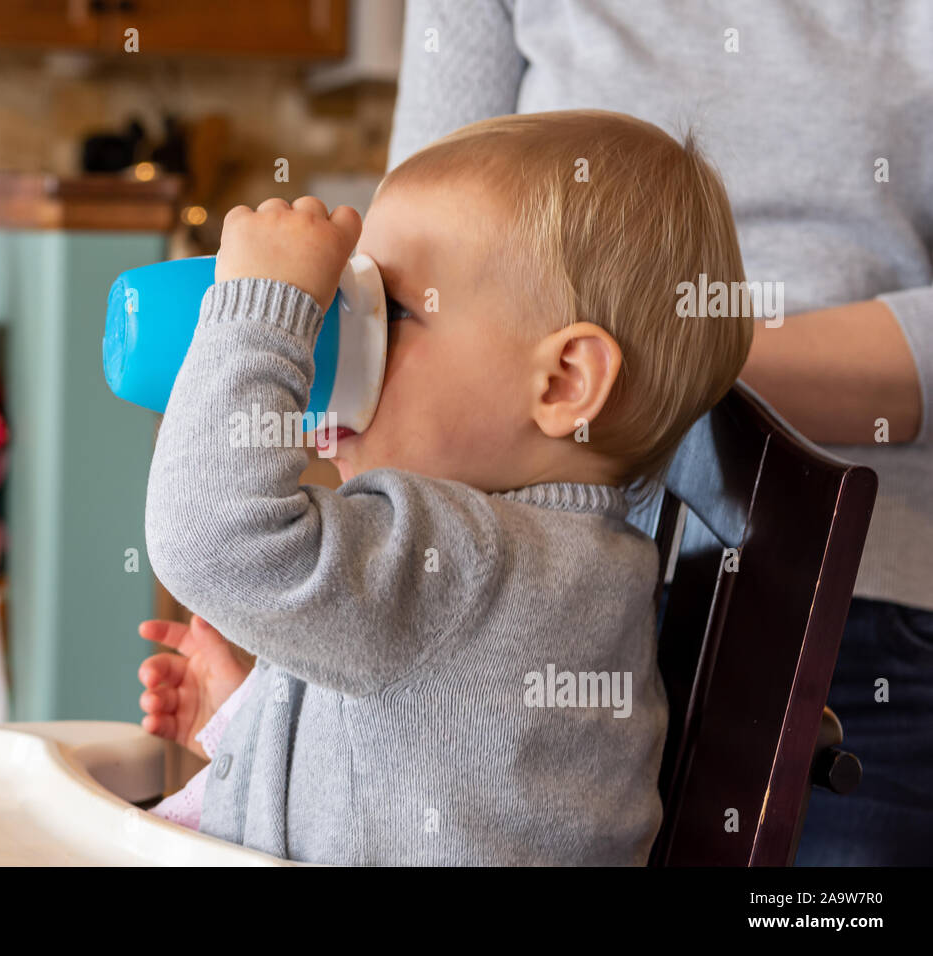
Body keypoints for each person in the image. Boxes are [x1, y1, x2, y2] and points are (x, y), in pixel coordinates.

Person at [383, 0, 933, 865]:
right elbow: (412, 263)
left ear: (572, 376)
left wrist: (662, 357)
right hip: (518, 594)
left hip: (862, 614)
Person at [137, 109, 751, 863]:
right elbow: (419, 752)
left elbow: (208, 538)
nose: (346, 335)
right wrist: (245, 723)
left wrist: (262, 313)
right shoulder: (557, 560)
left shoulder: (469, 555)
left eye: (388, 312)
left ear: (563, 382)